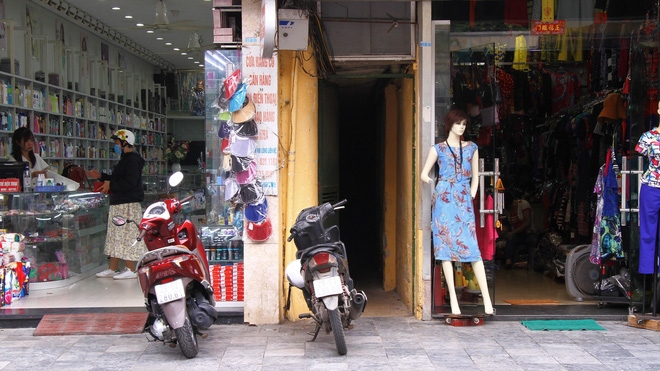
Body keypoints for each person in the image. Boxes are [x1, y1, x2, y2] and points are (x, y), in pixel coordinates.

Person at [420, 109, 494, 315]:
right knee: (445, 251)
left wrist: (471, 192)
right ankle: (453, 299)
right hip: (444, 200)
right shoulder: (438, 149)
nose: (461, 127)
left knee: (472, 249)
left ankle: (487, 300)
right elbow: (424, 174)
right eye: (458, 123)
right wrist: (437, 187)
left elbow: (476, 175)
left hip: (463, 199)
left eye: (464, 124)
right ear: (449, 125)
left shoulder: (472, 148)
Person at [90, 129, 147, 280]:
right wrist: (102, 177)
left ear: (125, 142)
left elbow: (130, 182)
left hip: (128, 204)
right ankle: (113, 267)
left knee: (129, 235)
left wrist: (111, 184)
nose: (115, 145)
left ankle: (130, 268)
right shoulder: (125, 159)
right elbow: (121, 179)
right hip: (119, 203)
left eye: (117, 143)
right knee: (115, 236)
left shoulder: (132, 160)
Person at [635, 101, 660, 275]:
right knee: (648, 231)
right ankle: (647, 271)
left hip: (652, 186)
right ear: (658, 110)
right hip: (651, 187)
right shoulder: (647, 137)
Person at [501, 188, 537, 269]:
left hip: (529, 233)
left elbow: (527, 223)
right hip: (517, 235)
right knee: (510, 240)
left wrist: (513, 232)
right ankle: (508, 261)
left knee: (532, 240)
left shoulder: (524, 204)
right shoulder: (508, 211)